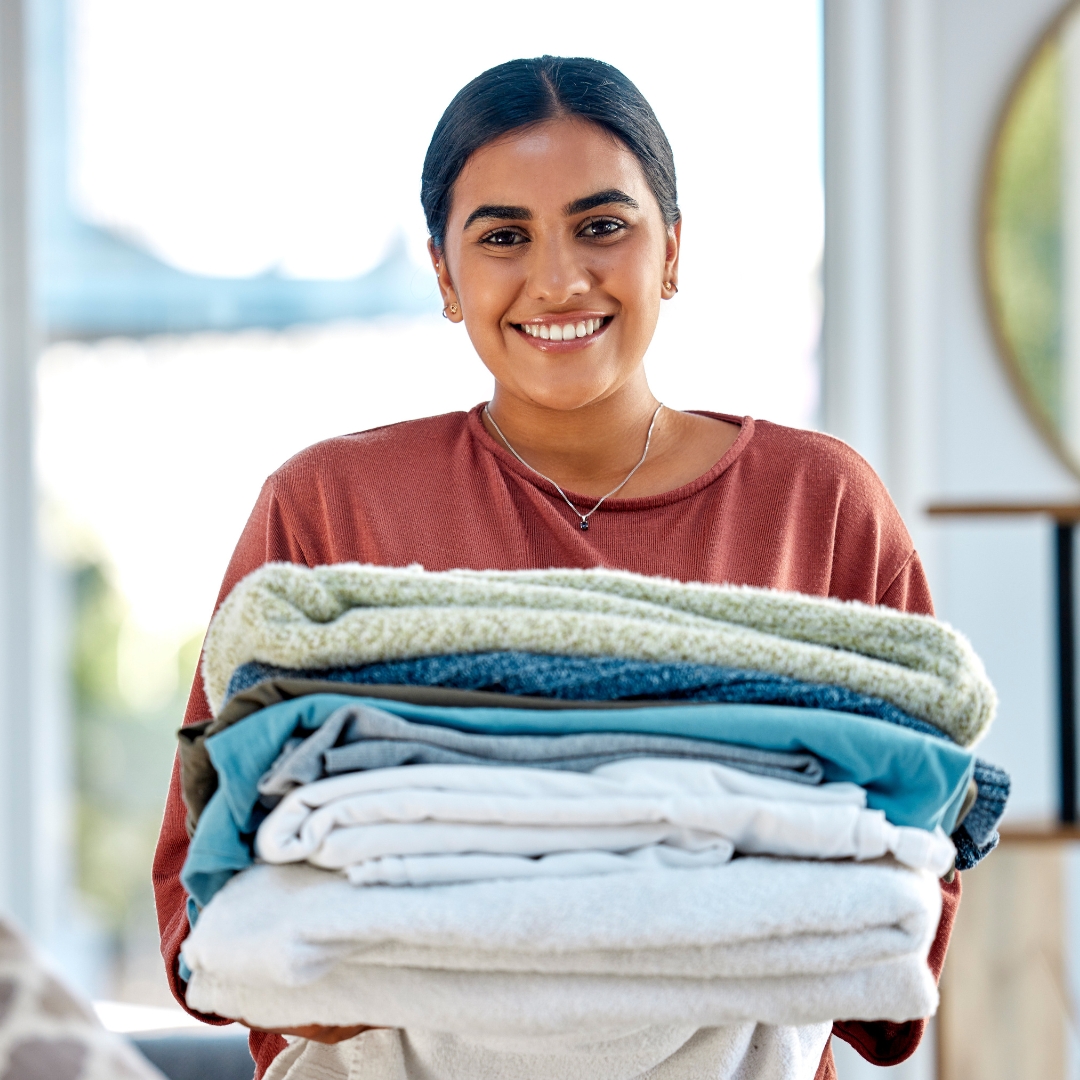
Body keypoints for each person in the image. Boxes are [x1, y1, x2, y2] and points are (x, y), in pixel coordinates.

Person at [152, 55, 959, 1080]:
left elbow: (914, 847)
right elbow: (201, 880)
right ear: (446, 275)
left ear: (673, 249)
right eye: (502, 238)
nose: (559, 277)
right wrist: (367, 967)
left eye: (603, 225)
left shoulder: (818, 503)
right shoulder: (327, 506)